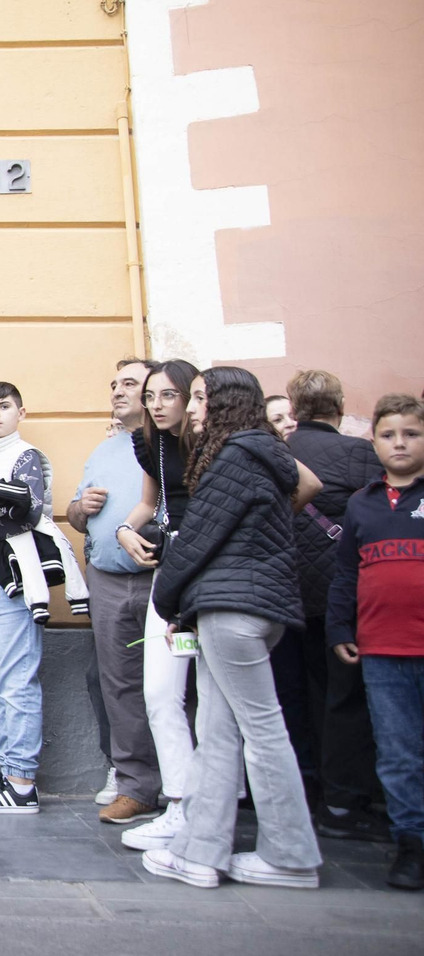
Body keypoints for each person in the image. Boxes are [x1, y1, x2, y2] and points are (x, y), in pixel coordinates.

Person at [142, 367, 322, 890]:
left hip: (231, 608)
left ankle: (290, 856)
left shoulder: (235, 456)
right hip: (246, 607)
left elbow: (196, 540)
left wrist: (167, 596)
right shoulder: (259, 455)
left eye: (199, 398)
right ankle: (200, 853)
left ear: (224, 405)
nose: (191, 408)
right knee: (218, 733)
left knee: (262, 731)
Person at [0, 381, 79, 813]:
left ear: (20, 413)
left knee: (16, 682)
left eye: (4, 407)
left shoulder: (25, 455)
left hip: (13, 584)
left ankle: (22, 782)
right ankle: (9, 775)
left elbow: (30, 511)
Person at [284, 369, 387, 841]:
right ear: (339, 406)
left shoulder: (279, 452)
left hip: (285, 595)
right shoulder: (357, 453)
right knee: (342, 699)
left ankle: (305, 793)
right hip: (337, 600)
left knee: (295, 699)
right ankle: (343, 801)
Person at [328, 393, 424, 890]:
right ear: (375, 442)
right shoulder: (361, 502)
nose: (400, 443)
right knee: (397, 751)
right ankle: (411, 844)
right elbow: (346, 573)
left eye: (411, 433)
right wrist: (340, 627)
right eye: (389, 435)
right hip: (382, 650)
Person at [67, 359, 164, 827]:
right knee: (119, 685)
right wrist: (80, 508)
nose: (118, 392)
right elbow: (75, 511)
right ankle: (136, 787)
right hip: (107, 580)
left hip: (160, 581)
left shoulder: (168, 447)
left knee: (172, 687)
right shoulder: (105, 449)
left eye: (129, 383)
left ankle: (182, 781)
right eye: (114, 385)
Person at [113, 359, 202, 851]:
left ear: (192, 396)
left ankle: (209, 809)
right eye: (151, 396)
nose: (155, 405)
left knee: (214, 701)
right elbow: (150, 503)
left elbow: (301, 487)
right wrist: (126, 528)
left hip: (215, 579)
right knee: (160, 692)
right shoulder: (153, 444)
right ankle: (181, 804)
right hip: (172, 577)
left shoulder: (222, 442)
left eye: (167, 395)